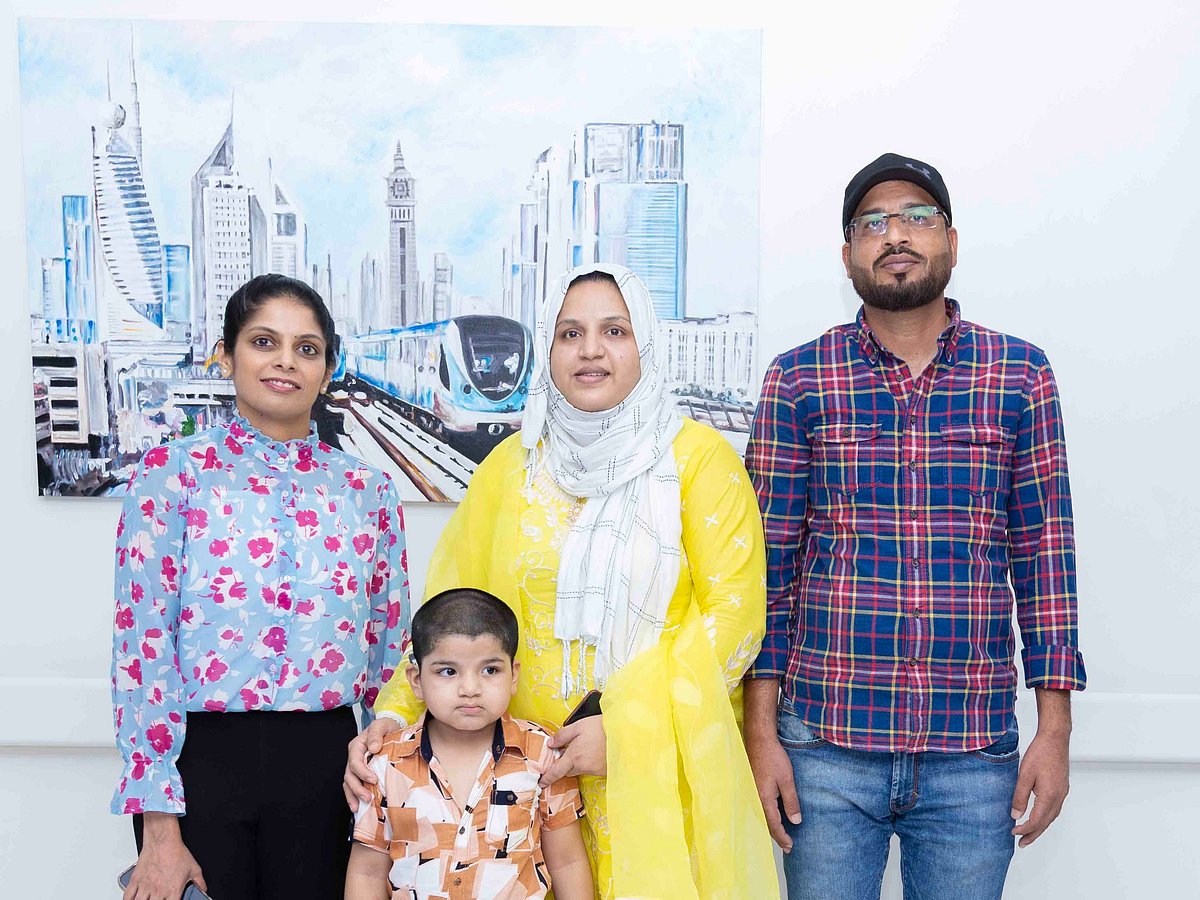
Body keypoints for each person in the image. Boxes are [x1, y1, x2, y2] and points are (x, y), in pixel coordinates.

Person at [345, 262, 777, 899]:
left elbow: (734, 620)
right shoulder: (509, 469)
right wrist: (394, 712)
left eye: (615, 330)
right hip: (521, 790)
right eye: (569, 333)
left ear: (645, 345)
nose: (591, 350)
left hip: (660, 781)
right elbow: (452, 610)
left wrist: (631, 731)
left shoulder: (699, 462)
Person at [743, 153, 1088, 900]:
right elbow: (764, 573)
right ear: (848, 255)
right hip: (823, 748)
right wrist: (760, 732)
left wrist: (1054, 734)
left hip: (972, 752)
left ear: (952, 242)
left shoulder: (1018, 375)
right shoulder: (798, 379)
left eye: (915, 218)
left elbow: (1045, 559)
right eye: (872, 223)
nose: (894, 235)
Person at [112, 274, 410, 900]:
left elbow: (390, 647)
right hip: (200, 763)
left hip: (330, 765)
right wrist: (159, 830)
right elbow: (143, 648)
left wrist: (388, 767)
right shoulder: (172, 475)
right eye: (264, 341)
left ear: (328, 368)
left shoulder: (369, 492)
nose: (285, 361)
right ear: (226, 355)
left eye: (307, 348)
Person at [346, 587, 593, 899]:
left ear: (513, 676)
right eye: (448, 671)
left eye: (490, 670)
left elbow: (568, 862)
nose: (470, 688)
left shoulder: (544, 755)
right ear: (416, 681)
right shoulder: (383, 764)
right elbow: (367, 872)